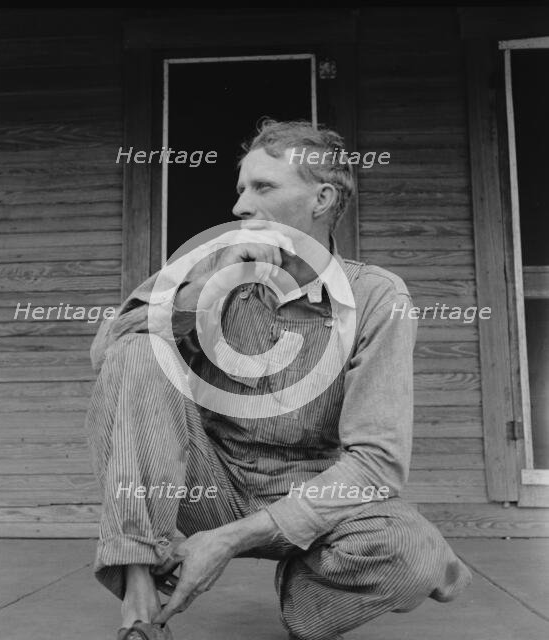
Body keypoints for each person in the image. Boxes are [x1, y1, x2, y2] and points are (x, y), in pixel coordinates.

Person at [86, 120, 472, 640]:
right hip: (208, 484)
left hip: (316, 495)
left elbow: (377, 464)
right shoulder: (207, 267)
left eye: (263, 188)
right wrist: (204, 290)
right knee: (137, 347)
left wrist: (227, 541)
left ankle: (304, 591)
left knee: (414, 557)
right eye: (241, 189)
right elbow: (106, 354)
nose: (240, 207)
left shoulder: (378, 298)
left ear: (322, 199)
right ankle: (139, 606)